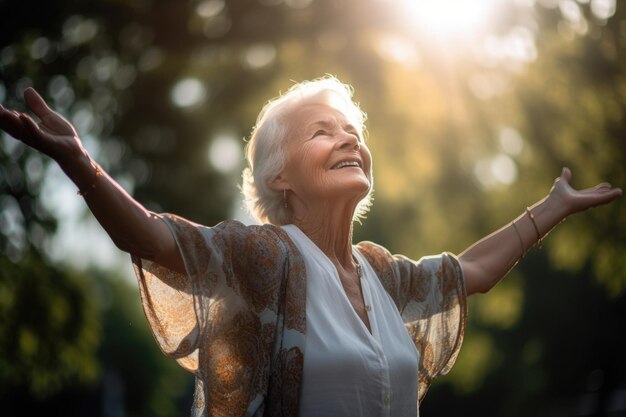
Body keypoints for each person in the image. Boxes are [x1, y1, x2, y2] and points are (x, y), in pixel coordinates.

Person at [0, 76, 621, 417]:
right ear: (280, 178)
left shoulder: (381, 272)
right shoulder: (265, 258)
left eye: (353, 131)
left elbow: (470, 272)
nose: (349, 139)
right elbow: (160, 239)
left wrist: (552, 207)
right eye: (323, 132)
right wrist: (82, 166)